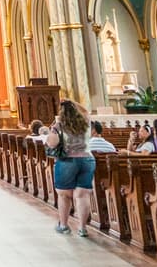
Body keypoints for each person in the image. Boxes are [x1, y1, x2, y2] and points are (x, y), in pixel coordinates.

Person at [46, 100, 95, 237]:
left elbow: (51, 144)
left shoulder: (59, 125)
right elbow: (85, 110)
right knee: (82, 195)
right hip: (87, 159)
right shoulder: (85, 121)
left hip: (68, 160)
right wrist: (70, 101)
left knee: (64, 195)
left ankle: (63, 225)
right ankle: (82, 228)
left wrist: (52, 131)